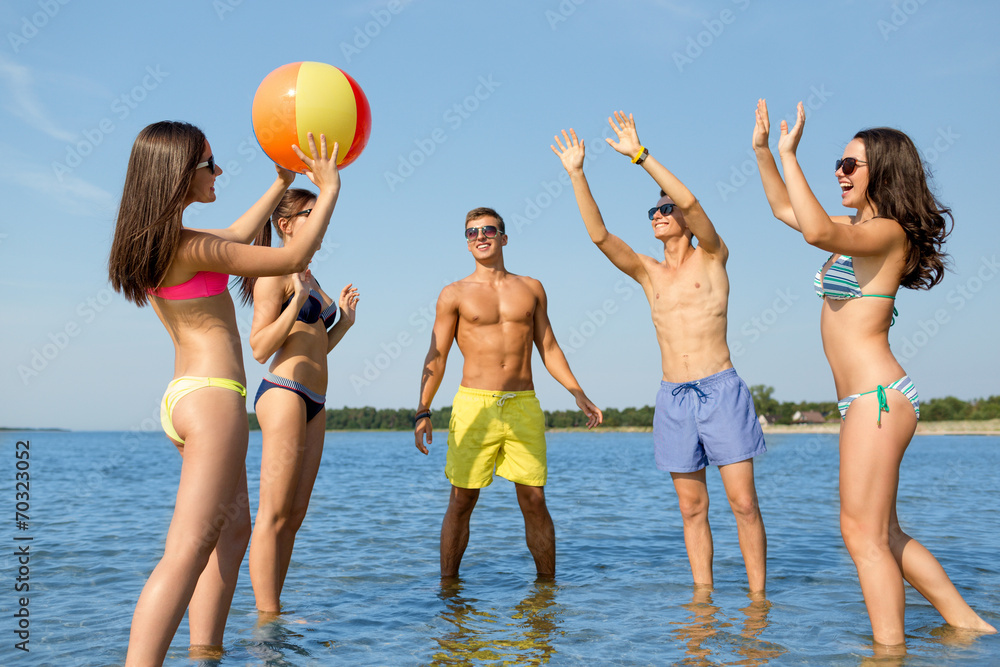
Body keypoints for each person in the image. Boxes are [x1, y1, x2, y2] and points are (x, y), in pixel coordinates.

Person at [753, 98, 995, 646]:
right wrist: (766, 152)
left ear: (881, 172)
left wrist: (792, 154)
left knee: (861, 534)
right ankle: (969, 625)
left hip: (878, 398)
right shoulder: (855, 228)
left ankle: (888, 652)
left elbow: (814, 233)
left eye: (849, 165)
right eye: (837, 164)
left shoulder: (886, 232)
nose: (838, 173)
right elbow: (783, 209)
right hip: (866, 401)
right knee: (883, 531)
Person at [109, 123, 340, 664]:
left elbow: (236, 234)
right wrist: (327, 189)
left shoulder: (165, 244)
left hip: (186, 397)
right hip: (214, 399)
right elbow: (287, 259)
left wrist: (279, 182)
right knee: (185, 552)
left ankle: (204, 654)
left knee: (232, 536)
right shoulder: (187, 245)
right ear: (177, 174)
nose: (219, 172)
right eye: (210, 164)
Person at [552, 112, 767, 593]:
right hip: (674, 398)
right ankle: (703, 601)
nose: (659, 214)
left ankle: (757, 603)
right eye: (653, 212)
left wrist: (640, 156)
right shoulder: (649, 273)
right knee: (692, 508)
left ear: (687, 222)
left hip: (720, 390)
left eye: (666, 210)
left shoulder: (712, 256)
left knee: (744, 504)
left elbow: (688, 198)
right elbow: (600, 236)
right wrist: (577, 174)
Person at [414, 207, 603, 578]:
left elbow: (548, 346)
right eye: (472, 233)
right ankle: (449, 589)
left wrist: (576, 391)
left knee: (534, 500)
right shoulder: (453, 294)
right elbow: (436, 355)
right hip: (474, 405)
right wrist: (423, 409)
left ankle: (546, 592)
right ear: (467, 244)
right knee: (462, 499)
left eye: (488, 230)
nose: (480, 236)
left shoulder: (531, 288)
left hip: (523, 405)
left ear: (503, 237)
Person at [238, 188, 359, 613]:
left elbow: (318, 345)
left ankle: (276, 607)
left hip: (316, 399)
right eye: (313, 213)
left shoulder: (310, 275)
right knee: (273, 514)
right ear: (286, 224)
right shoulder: (274, 273)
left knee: (296, 514)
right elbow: (259, 346)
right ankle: (267, 618)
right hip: (284, 393)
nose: (322, 222)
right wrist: (296, 305)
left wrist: (343, 321)